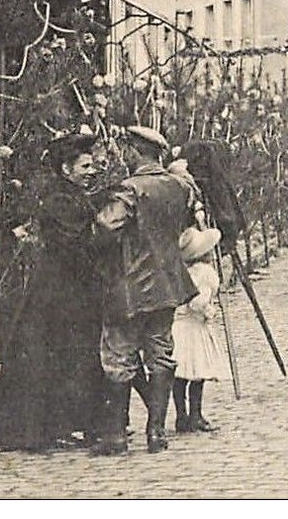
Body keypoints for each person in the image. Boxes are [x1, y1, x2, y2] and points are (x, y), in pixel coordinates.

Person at [0, 132, 106, 452]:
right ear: (66, 170)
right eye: (84, 165)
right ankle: (45, 430)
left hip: (70, 289)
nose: (91, 170)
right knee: (56, 358)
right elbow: (75, 245)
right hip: (58, 291)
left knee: (72, 357)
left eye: (92, 164)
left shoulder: (72, 195)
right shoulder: (60, 200)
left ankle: (68, 426)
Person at [90, 125, 197, 455]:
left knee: (119, 357)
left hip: (130, 287)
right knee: (161, 353)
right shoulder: (179, 187)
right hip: (167, 285)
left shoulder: (129, 190)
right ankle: (157, 433)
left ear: (134, 152)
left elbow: (105, 227)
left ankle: (116, 438)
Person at [171, 226, 225, 433]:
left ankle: (181, 416)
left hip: (177, 327)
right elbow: (197, 302)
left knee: (180, 376)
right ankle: (196, 414)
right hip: (193, 328)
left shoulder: (179, 271)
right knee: (197, 373)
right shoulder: (205, 274)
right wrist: (209, 310)